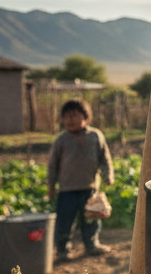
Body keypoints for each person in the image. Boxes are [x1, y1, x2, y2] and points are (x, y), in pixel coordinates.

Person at [46, 99, 114, 262]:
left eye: (74, 115)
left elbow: (104, 158)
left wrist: (108, 175)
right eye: (66, 116)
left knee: (91, 219)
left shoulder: (95, 136)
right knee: (64, 221)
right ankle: (63, 249)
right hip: (67, 190)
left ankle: (91, 244)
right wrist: (51, 185)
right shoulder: (61, 140)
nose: (70, 119)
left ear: (86, 117)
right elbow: (52, 165)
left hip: (90, 188)